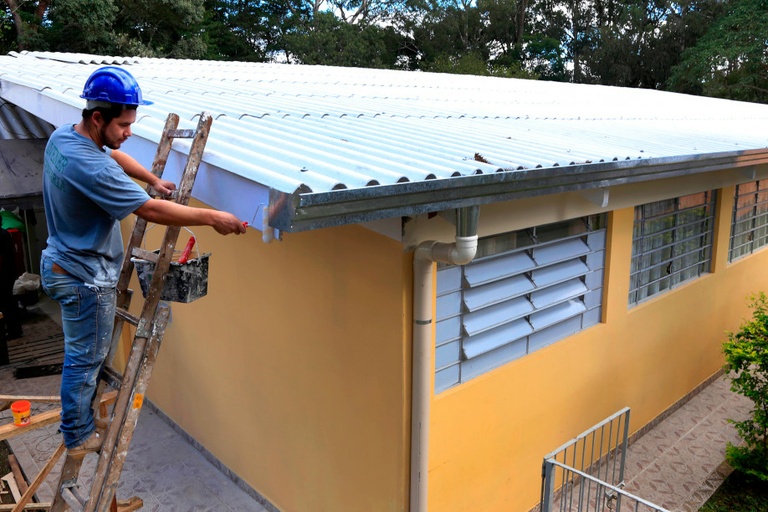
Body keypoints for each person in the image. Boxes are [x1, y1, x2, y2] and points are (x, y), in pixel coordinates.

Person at [40, 66, 245, 457]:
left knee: (83, 356)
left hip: (60, 262)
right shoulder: (92, 168)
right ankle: (78, 435)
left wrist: (151, 179)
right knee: (86, 360)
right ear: (97, 118)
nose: (129, 132)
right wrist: (213, 217)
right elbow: (150, 210)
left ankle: (80, 421)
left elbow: (114, 155)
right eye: (123, 125)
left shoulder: (64, 137)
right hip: (84, 280)